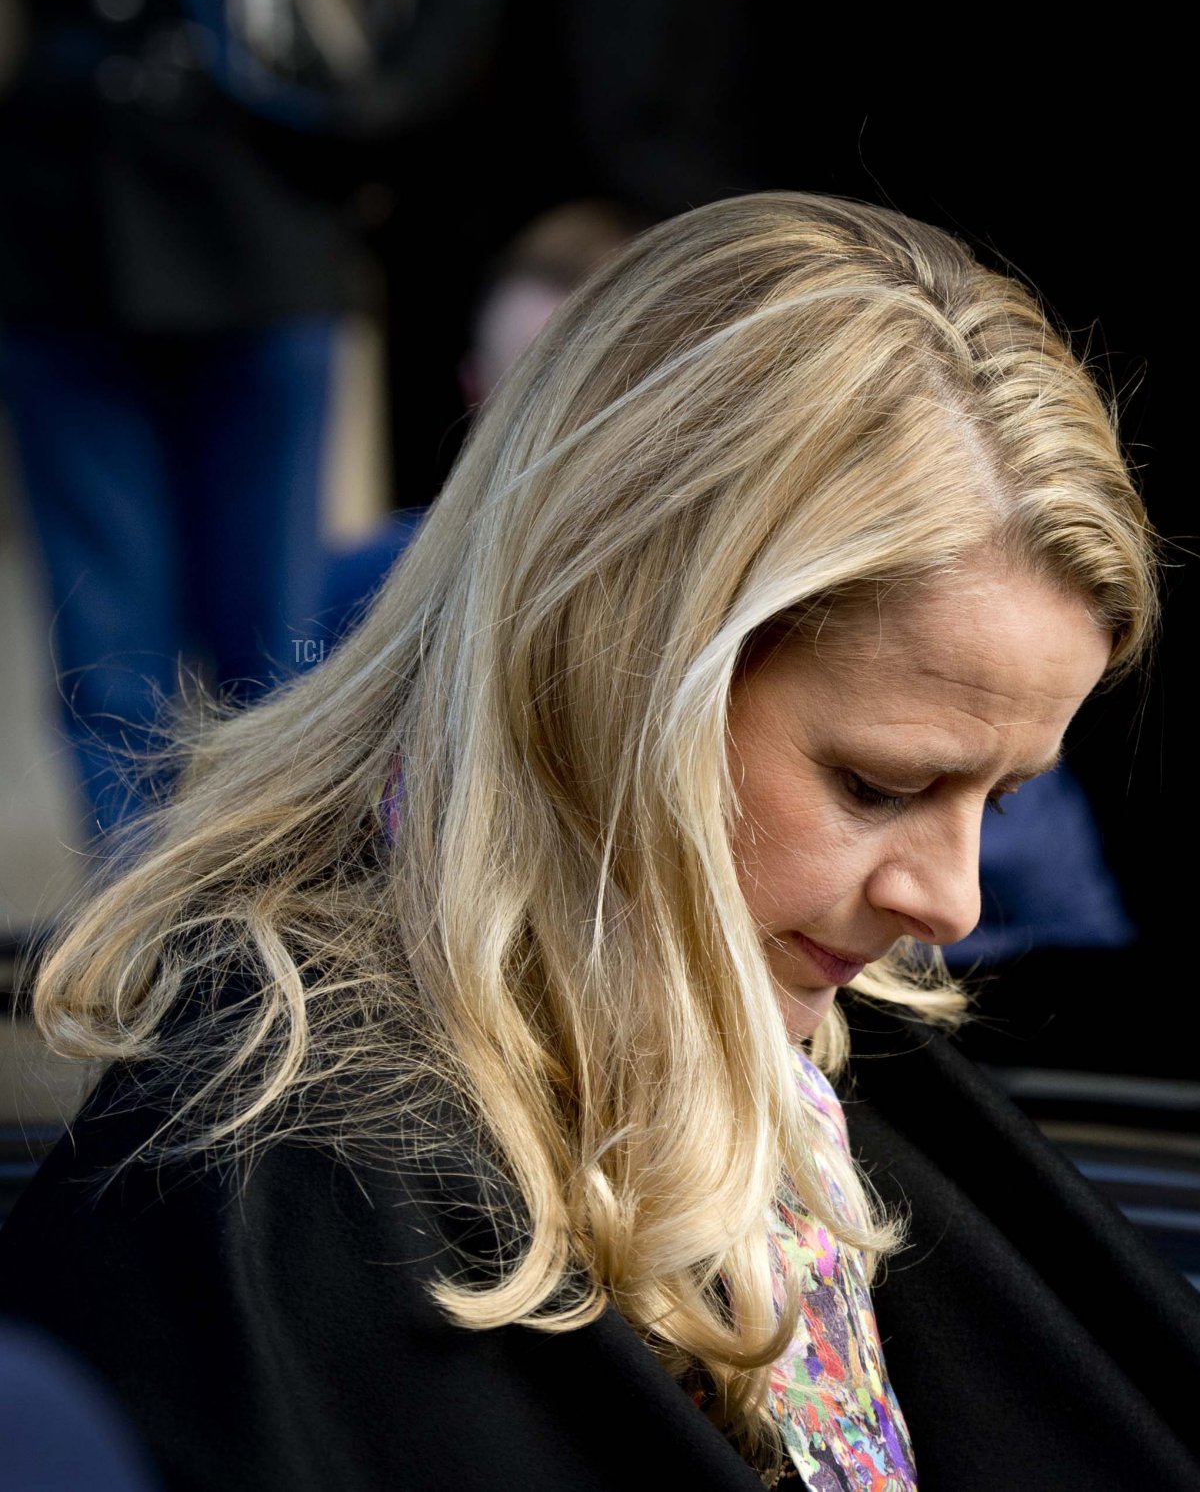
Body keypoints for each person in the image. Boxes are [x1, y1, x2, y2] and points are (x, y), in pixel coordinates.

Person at [1, 192, 1196, 1491]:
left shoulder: (818, 1040)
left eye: (1003, 799)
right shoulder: (262, 1215)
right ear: (608, 668)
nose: (954, 903)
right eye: (876, 783)